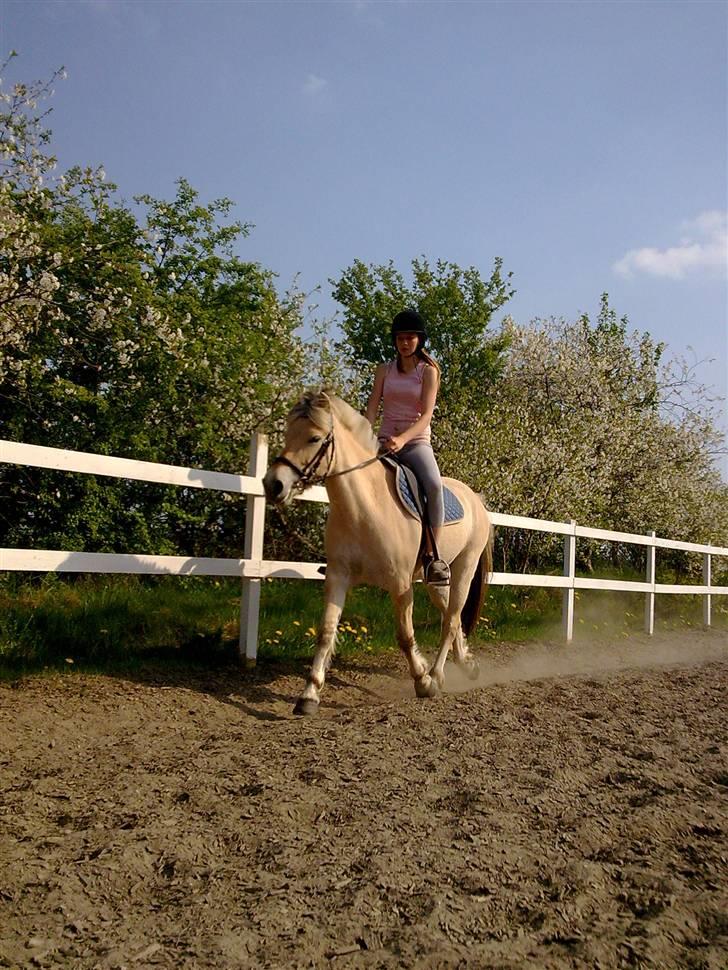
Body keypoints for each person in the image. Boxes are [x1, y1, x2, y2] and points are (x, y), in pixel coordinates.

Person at [365, 309, 450, 586]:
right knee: (349, 477)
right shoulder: (384, 370)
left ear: (419, 340)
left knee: (434, 485)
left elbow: (426, 415)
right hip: (383, 441)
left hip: (415, 442)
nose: (405, 343)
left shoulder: (429, 372)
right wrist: (364, 436)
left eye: (410, 338)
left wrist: (402, 440)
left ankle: (432, 556)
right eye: (400, 338)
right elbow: (373, 407)